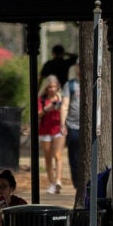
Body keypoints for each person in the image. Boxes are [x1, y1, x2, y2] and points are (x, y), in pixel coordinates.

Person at [37, 75, 65, 194]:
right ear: (46, 88)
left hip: (58, 130)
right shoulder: (42, 100)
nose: (52, 89)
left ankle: (58, 180)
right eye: (50, 87)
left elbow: (64, 110)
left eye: (54, 86)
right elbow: (38, 115)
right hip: (45, 131)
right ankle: (52, 183)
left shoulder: (61, 98)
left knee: (58, 155)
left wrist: (63, 124)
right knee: (48, 158)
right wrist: (48, 108)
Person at [62, 65, 83, 196]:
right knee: (74, 157)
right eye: (79, 67)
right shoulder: (70, 85)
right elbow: (64, 105)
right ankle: (77, 184)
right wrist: (62, 124)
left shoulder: (95, 81)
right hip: (73, 125)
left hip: (90, 126)